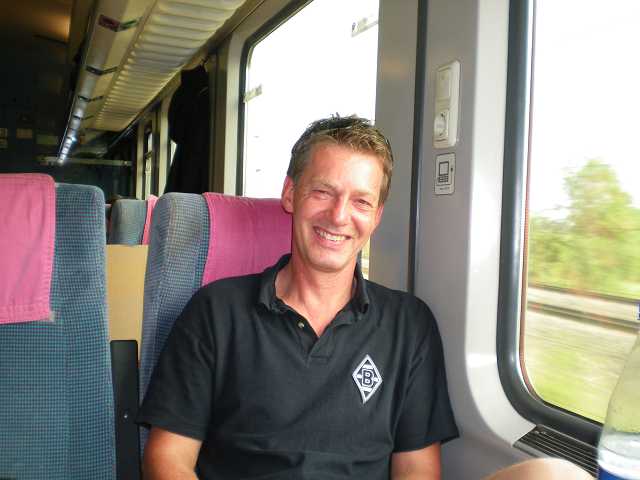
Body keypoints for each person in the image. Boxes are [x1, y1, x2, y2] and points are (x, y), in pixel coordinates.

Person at [137, 115, 459, 479]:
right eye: (323, 192)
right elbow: (167, 459)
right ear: (290, 194)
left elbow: (417, 469)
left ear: (376, 216)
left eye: (361, 202)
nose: (339, 216)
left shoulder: (409, 325)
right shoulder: (216, 311)